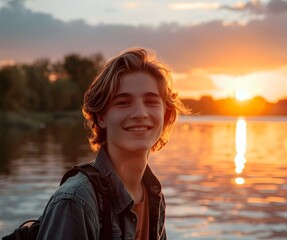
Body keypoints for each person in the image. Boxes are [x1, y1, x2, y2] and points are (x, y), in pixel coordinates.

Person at [36, 47, 189, 239]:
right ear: (101, 117)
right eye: (123, 103)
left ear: (165, 115)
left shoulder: (153, 194)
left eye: (151, 102)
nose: (140, 113)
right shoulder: (76, 201)